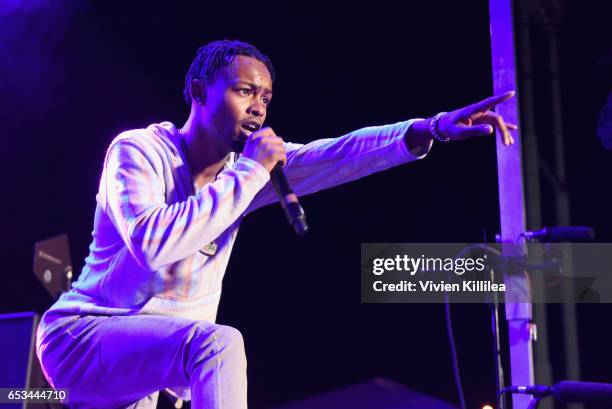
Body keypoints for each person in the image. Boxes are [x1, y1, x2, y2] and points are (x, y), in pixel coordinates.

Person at [35, 39, 517, 409]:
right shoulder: (138, 150)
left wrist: (428, 128)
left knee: (213, 351)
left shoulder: (241, 177)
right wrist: (250, 172)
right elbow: (152, 243)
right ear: (198, 93)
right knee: (219, 342)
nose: (258, 107)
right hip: (83, 337)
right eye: (245, 91)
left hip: (154, 367)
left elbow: (338, 153)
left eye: (265, 96)